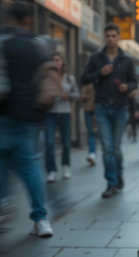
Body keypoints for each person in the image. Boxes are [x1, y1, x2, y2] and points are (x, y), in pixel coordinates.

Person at [0, 1, 58, 237]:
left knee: (1, 164)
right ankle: (41, 219)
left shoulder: (2, 43)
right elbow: (50, 78)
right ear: (28, 20)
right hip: (30, 116)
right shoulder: (38, 45)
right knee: (31, 166)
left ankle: (3, 203)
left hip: (4, 115)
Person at [81, 23, 137, 198]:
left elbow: (134, 82)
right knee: (107, 148)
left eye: (114, 35)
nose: (111, 38)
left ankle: (118, 173)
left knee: (116, 148)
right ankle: (111, 182)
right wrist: (100, 72)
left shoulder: (127, 59)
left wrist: (127, 87)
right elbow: (83, 78)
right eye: (108, 36)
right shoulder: (96, 57)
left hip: (121, 108)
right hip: (102, 107)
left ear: (119, 37)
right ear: (105, 38)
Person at [45, 52, 80, 182]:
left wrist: (68, 96)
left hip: (64, 112)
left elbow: (77, 94)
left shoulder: (69, 78)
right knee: (49, 143)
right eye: (53, 60)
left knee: (66, 142)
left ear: (62, 62)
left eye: (58, 60)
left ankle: (66, 166)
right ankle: (51, 170)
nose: (56, 62)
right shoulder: (47, 78)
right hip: (50, 113)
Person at [80, 83, 97, 166]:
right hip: (88, 109)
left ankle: (93, 153)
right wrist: (85, 96)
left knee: (95, 132)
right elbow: (82, 95)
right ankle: (92, 154)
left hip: (99, 110)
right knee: (91, 132)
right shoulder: (87, 81)